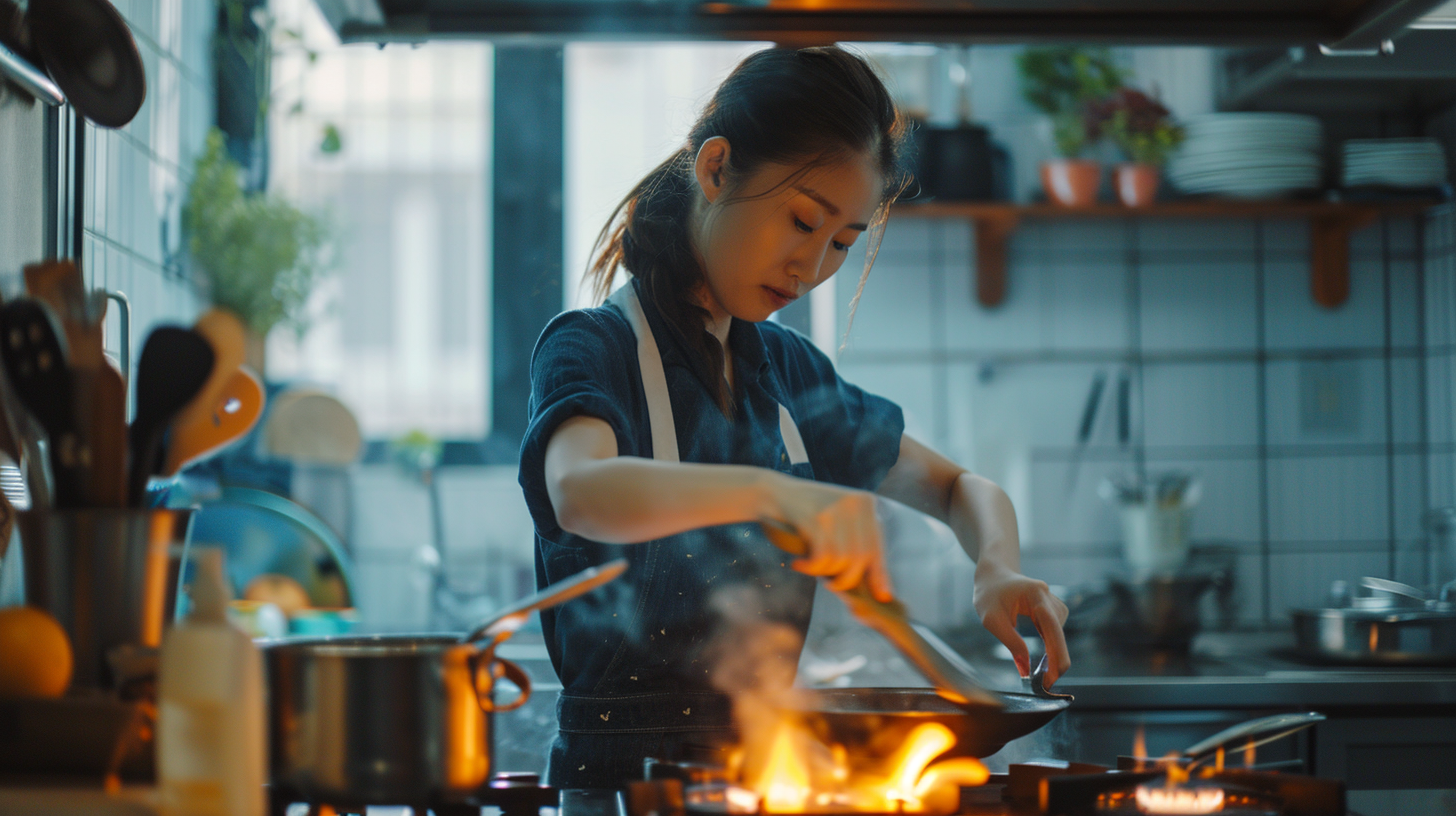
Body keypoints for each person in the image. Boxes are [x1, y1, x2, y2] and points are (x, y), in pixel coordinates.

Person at [518, 45, 1069, 789]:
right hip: (619, 789)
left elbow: (956, 488)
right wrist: (775, 493)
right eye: (803, 222)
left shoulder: (788, 372)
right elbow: (580, 492)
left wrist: (995, 566)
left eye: (842, 242)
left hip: (766, 780)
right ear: (716, 170)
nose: (811, 269)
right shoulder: (592, 347)